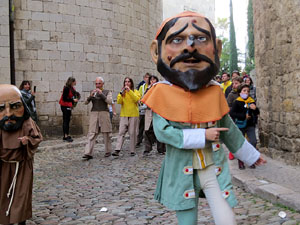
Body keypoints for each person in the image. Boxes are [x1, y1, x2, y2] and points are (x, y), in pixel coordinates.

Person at [142, 11, 266, 225]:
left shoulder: (214, 91)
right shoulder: (160, 93)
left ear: (216, 49)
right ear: (157, 51)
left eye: (200, 38)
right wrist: (202, 135)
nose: (190, 47)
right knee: (187, 222)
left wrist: (250, 155)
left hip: (212, 169)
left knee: (227, 220)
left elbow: (229, 129)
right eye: (178, 39)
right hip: (182, 172)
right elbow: (163, 133)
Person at [0, 84, 43, 225]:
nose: (8, 113)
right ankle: (6, 220)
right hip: (4, 167)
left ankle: (21, 220)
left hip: (23, 165)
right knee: (4, 194)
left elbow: (37, 139)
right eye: (1, 108)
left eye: (14, 106)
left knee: (21, 195)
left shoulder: (27, 123)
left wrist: (28, 140)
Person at [230, 83, 260, 170]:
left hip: (250, 125)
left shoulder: (251, 101)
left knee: (253, 141)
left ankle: (251, 160)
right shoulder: (237, 102)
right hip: (240, 125)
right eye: (244, 91)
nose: (246, 93)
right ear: (240, 92)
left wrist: (255, 109)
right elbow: (232, 113)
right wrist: (243, 116)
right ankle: (241, 161)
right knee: (241, 143)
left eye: (247, 91)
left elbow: (257, 113)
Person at [83, 77, 113, 160]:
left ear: (103, 84)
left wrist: (101, 94)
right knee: (92, 133)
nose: (97, 85)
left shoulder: (107, 92)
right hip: (94, 113)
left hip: (104, 113)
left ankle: (108, 150)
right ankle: (88, 152)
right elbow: (85, 102)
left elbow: (110, 101)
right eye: (96, 83)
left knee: (106, 133)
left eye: (99, 83)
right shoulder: (92, 92)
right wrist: (90, 96)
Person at [112, 77, 141, 157]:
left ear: (131, 83)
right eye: (125, 82)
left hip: (133, 115)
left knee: (132, 133)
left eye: (128, 82)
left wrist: (129, 91)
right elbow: (118, 101)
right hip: (124, 115)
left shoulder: (135, 91)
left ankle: (132, 150)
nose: (127, 83)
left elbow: (136, 99)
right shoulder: (122, 92)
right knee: (121, 132)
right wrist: (122, 94)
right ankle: (117, 149)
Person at [143, 75, 166, 156]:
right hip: (149, 112)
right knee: (147, 130)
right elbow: (145, 98)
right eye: (151, 80)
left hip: (158, 112)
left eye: (154, 79)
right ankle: (147, 149)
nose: (152, 81)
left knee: (159, 130)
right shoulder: (148, 89)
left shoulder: (160, 88)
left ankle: (161, 149)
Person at [59, 77, 80, 142]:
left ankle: (67, 134)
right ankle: (65, 136)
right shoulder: (66, 88)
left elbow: (74, 94)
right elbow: (64, 98)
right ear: (72, 82)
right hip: (64, 105)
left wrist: (78, 95)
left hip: (68, 105)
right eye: (75, 81)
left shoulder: (72, 88)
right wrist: (72, 100)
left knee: (67, 120)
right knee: (66, 120)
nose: (76, 82)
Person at [136, 73, 150, 147]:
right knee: (140, 125)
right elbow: (139, 94)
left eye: (148, 77)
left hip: (149, 108)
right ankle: (139, 140)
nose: (146, 79)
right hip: (142, 107)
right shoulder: (142, 86)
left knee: (148, 126)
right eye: (145, 77)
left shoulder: (152, 86)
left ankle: (149, 141)